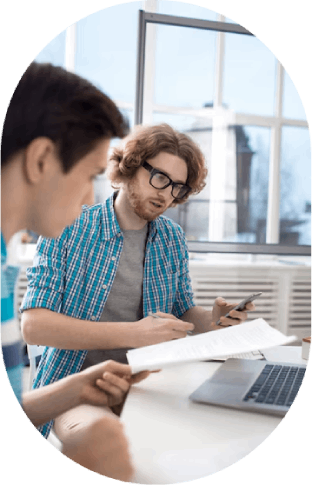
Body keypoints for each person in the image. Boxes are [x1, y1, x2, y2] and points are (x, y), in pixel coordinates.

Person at [20, 123, 256, 449]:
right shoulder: (67, 226)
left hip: (149, 383)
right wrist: (133, 334)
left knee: (226, 435)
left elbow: (183, 313)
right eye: (159, 177)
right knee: (104, 445)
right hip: (78, 385)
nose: (165, 194)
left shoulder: (172, 239)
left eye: (178, 187)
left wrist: (214, 320)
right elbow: (34, 326)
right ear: (131, 166)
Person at [0, 61, 154, 482]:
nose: (90, 198)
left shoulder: (6, 266)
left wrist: (73, 389)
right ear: (42, 159)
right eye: (89, 175)